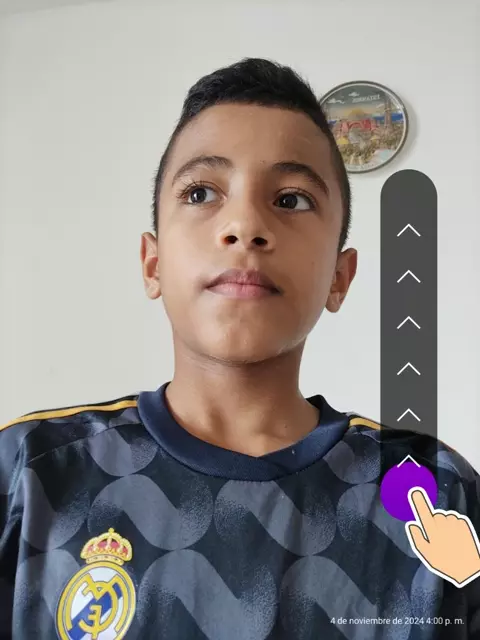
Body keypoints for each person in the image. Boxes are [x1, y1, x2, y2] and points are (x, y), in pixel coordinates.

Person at [0, 58, 479, 640]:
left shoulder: (434, 494)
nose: (245, 225)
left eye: (292, 199)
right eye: (201, 192)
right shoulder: (29, 471)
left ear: (340, 277)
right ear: (153, 263)